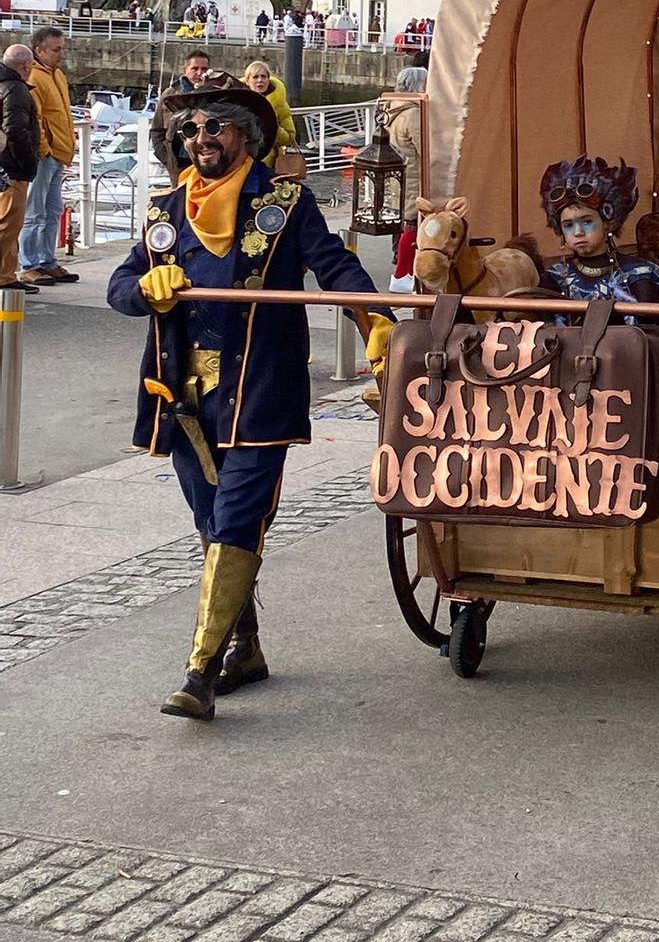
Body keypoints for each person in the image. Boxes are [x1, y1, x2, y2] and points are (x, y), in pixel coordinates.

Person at [107, 75, 394, 722]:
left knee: (237, 522)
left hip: (260, 392)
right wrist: (144, 288)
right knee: (213, 528)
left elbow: (336, 266)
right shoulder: (167, 211)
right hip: (184, 401)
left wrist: (375, 321)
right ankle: (248, 646)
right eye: (191, 129)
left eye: (215, 127)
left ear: (247, 134)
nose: (201, 139)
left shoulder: (286, 204)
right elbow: (120, 287)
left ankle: (199, 673)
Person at [538, 155, 659, 318]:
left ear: (608, 222)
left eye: (587, 221)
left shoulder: (642, 274)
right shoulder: (553, 278)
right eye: (568, 225)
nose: (578, 232)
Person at [19, 26, 78, 288]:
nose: (61, 54)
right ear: (39, 50)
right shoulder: (34, 76)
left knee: (52, 210)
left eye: (62, 48)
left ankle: (47, 260)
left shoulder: (59, 76)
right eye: (56, 49)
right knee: (35, 211)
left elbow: (62, 114)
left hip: (59, 153)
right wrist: (45, 149)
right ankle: (30, 264)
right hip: (47, 155)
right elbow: (38, 118)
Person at [0, 45, 41, 296]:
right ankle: (3, 275)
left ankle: (6, 274)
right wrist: (28, 163)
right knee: (8, 223)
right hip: (12, 167)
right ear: (26, 66)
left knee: (9, 223)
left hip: (5, 165)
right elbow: (15, 130)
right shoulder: (14, 89)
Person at [384, 64, 427, 287]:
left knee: (405, 226)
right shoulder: (412, 113)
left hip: (400, 176)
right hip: (414, 178)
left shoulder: (392, 109)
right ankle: (404, 274)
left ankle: (402, 273)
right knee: (412, 226)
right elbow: (426, 148)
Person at [151, 49, 210, 186]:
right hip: (179, 164)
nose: (200, 73)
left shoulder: (215, 93)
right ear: (185, 69)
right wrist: (168, 160)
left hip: (207, 162)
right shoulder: (170, 95)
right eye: (195, 68)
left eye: (204, 69)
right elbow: (157, 130)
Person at [243, 60, 297, 167]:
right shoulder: (238, 102)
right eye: (255, 77)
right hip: (241, 161)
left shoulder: (280, 104)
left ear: (268, 80)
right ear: (247, 81)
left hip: (268, 164)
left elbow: (290, 137)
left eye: (263, 77)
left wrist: (272, 126)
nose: (260, 80)